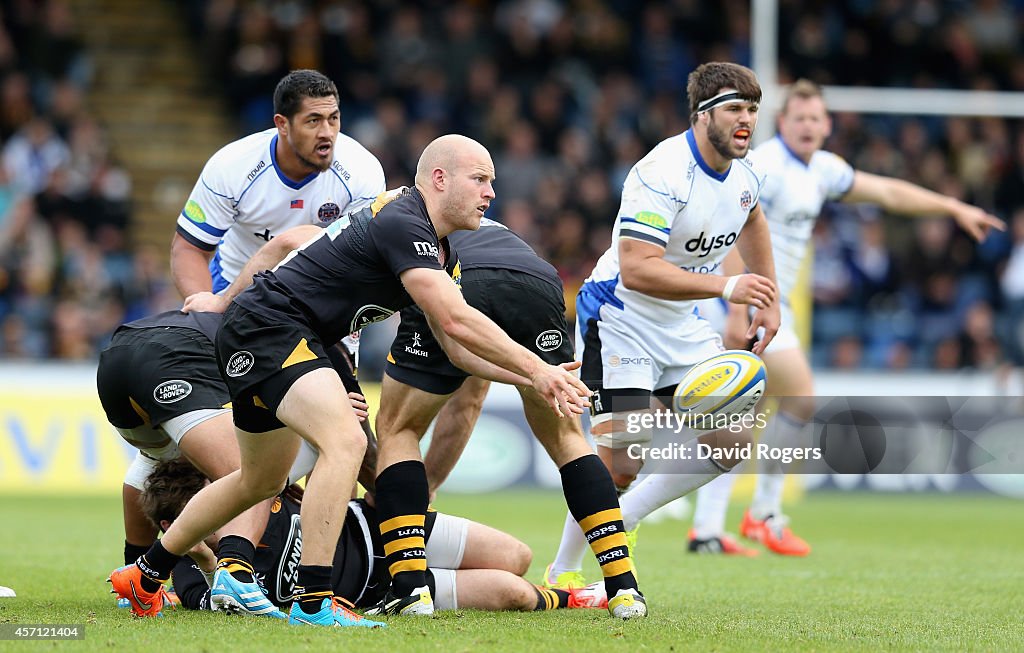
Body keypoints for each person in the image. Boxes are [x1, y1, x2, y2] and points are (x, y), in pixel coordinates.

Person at [109, 134, 591, 630]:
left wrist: (533, 377)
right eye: (481, 179)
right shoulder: (406, 220)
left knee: (261, 480)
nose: (492, 193)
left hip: (266, 332)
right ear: (440, 179)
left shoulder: (438, 251)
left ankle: (146, 575)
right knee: (345, 440)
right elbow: (455, 319)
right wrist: (536, 367)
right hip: (273, 328)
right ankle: (314, 600)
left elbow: (455, 351)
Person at [688, 79, 1005, 556]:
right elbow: (729, 233)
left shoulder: (823, 169)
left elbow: (887, 193)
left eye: (817, 118)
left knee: (746, 410)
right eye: (800, 118)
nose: (809, 126)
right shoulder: (763, 166)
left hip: (768, 304)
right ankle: (757, 516)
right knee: (792, 399)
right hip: (743, 301)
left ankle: (713, 528)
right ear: (783, 122)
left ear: (828, 124)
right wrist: (740, 306)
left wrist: (952, 206)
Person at [543, 62, 780, 588]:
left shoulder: (745, 175)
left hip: (679, 320)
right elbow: (638, 268)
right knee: (622, 461)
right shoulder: (661, 171)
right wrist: (727, 287)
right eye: (735, 110)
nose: (747, 121)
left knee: (733, 439)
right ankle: (563, 572)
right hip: (620, 315)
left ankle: (620, 523)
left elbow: (754, 217)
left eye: (753, 110)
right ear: (702, 116)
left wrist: (769, 295)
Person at [375, 217, 646, 619]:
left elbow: (461, 403)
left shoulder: (409, 226)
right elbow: (468, 402)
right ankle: (624, 588)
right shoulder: (487, 224)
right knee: (568, 439)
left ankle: (411, 590)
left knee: (398, 428)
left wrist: (416, 495)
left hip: (456, 281)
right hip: (536, 282)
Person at [97, 308, 372, 616]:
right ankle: (236, 574)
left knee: (158, 456)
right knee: (256, 474)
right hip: (175, 353)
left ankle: (136, 576)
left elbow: (140, 475)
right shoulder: (296, 341)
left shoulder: (263, 317)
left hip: (117, 358)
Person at [140, 459, 607, 617]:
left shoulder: (257, 492)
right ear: (171, 528)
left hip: (376, 528)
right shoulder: (184, 565)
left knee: (516, 555)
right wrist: (204, 558)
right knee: (514, 593)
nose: (215, 508)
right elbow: (213, 609)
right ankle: (574, 599)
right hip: (376, 591)